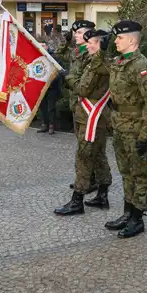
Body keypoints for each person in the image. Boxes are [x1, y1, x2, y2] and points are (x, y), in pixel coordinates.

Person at [104, 20, 147, 238]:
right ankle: (128, 212)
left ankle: (138, 218)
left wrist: (145, 135)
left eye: (119, 38)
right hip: (120, 126)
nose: (115, 41)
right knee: (126, 172)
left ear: (131, 40)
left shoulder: (143, 66)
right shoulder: (119, 62)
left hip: (136, 129)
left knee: (139, 174)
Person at [54, 29, 113, 215]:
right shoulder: (96, 61)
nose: (87, 45)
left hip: (91, 117)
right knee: (97, 156)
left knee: (84, 156)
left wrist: (67, 77)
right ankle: (103, 195)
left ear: (100, 44)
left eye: (90, 42)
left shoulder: (98, 63)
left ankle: (77, 200)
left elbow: (83, 88)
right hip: (93, 115)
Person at [62, 20, 99, 194]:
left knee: (87, 148)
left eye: (78, 33)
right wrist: (65, 40)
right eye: (74, 33)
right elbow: (61, 54)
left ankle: (89, 180)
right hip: (75, 105)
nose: (75, 35)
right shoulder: (77, 52)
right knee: (82, 144)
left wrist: (68, 79)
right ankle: (86, 178)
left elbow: (84, 83)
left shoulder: (90, 54)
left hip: (86, 106)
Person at [37, 43, 63, 135]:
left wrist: (51, 80)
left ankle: (52, 125)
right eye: (40, 45)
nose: (42, 47)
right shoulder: (37, 58)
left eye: (44, 45)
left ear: (47, 47)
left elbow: (60, 71)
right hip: (41, 88)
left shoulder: (54, 58)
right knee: (42, 107)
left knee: (50, 108)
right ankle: (45, 124)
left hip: (52, 87)